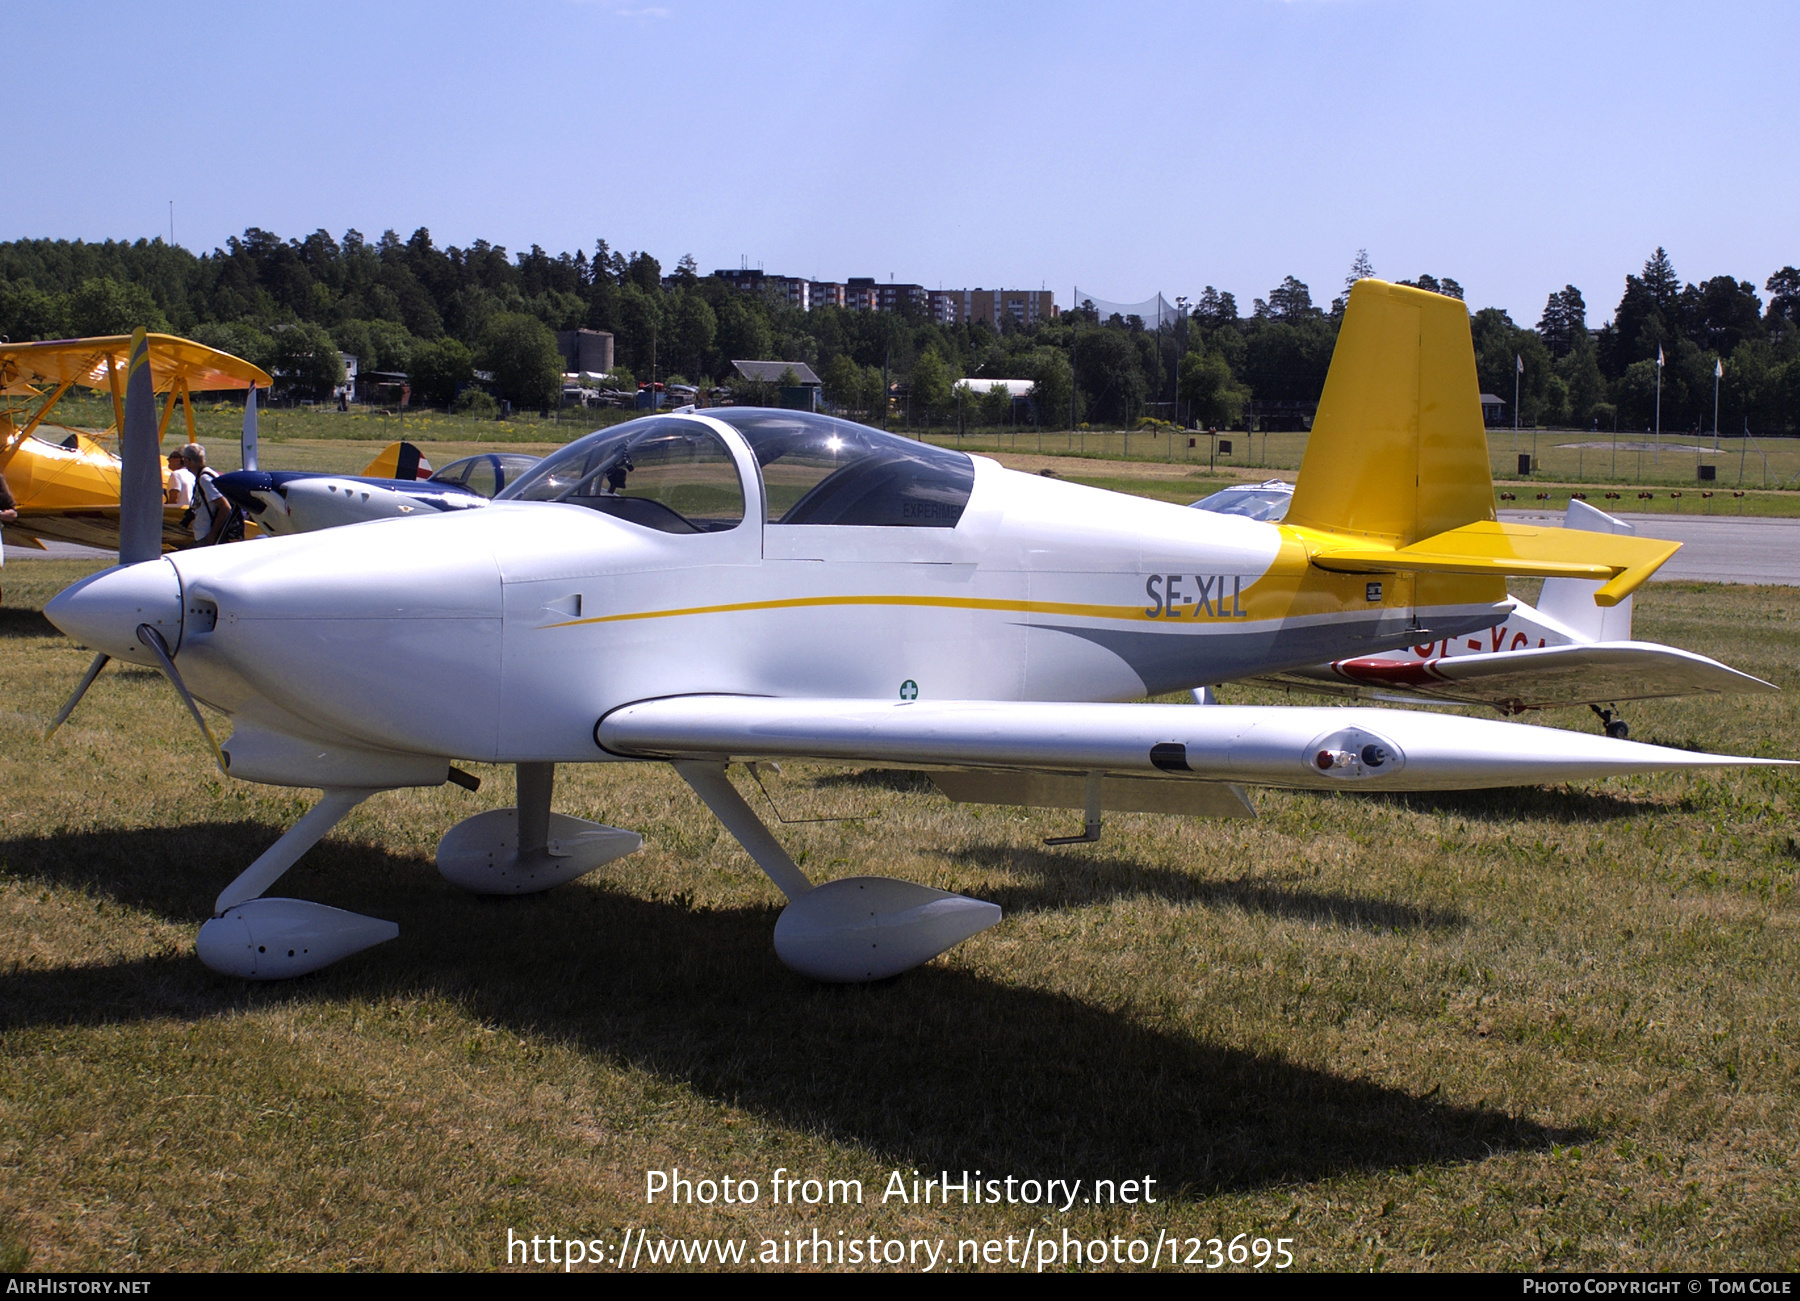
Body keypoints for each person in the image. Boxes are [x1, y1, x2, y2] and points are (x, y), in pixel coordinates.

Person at [178, 444, 235, 546]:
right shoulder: (204, 475)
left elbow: (225, 507)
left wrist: (212, 535)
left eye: (183, 461)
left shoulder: (205, 479)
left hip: (205, 536)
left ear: (188, 460)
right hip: (201, 535)